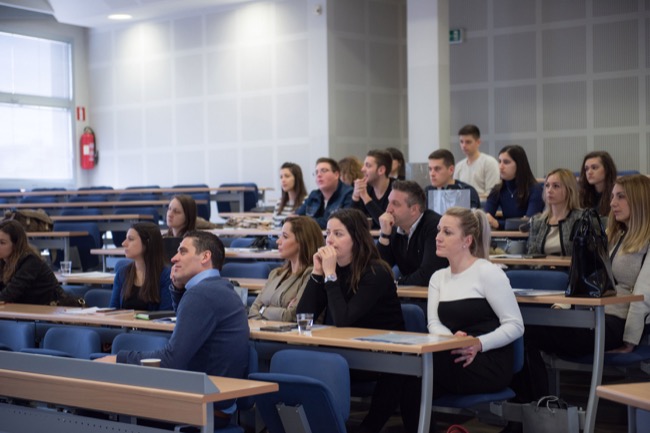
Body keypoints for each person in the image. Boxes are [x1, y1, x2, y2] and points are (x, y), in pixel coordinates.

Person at [97, 230, 249, 428]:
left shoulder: (202, 295)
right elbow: (188, 327)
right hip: (214, 402)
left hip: (203, 409)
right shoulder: (218, 288)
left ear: (205, 257)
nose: (174, 258)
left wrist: (119, 359)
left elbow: (172, 360)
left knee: (101, 404)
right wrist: (177, 290)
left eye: (183, 252)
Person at [521, 174, 650, 402]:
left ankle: (539, 406)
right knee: (522, 329)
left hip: (617, 322)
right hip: (593, 313)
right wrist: (562, 306)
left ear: (640, 200)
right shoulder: (613, 235)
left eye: (621, 197)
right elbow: (585, 280)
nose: (612, 203)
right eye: (612, 196)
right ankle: (538, 406)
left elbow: (644, 295)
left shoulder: (646, 241)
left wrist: (630, 340)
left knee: (526, 332)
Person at [402, 207, 524, 433]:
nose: (438, 237)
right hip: (451, 352)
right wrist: (452, 341)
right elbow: (433, 323)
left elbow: (516, 325)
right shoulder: (438, 277)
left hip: (487, 359)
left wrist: (477, 343)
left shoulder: (488, 272)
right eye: (439, 230)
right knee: (408, 379)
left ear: (467, 241)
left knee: (412, 378)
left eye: (447, 232)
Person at [296, 208, 405, 433]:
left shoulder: (376, 272)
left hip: (381, 356)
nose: (330, 240)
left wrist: (330, 275)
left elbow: (343, 319)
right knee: (297, 360)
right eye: (328, 233)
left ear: (356, 238)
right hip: (343, 350)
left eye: (338, 234)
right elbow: (304, 316)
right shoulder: (331, 270)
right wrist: (317, 273)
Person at [249, 216, 324, 321]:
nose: (278, 241)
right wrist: (279, 310)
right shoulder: (275, 273)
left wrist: (262, 310)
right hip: (264, 330)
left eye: (285, 237)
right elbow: (252, 311)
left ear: (302, 241)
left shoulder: (313, 275)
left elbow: (292, 316)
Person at [377, 180, 448, 286]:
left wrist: (396, 283)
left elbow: (428, 275)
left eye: (395, 204)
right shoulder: (393, 227)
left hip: (436, 292)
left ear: (414, 209)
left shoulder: (435, 227)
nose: (388, 209)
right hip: (409, 291)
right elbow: (377, 271)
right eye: (389, 202)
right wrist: (384, 235)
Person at [109, 222, 173, 311]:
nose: (124, 243)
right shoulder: (122, 273)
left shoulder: (167, 275)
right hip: (124, 321)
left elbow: (165, 314)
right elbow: (112, 312)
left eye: (131, 239)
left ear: (147, 243)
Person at [484, 144, 544, 230]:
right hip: (505, 236)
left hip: (527, 237)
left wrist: (498, 224)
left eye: (506, 162)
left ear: (519, 165)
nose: (500, 167)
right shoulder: (497, 189)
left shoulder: (535, 190)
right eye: (499, 161)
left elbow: (528, 223)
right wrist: (491, 221)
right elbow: (486, 218)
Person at [0, 220, 59, 305]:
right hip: (27, 309)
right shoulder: (3, 261)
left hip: (53, 307)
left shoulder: (30, 261)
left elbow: (8, 295)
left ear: (16, 245)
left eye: (2, 243)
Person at [527, 168, 582, 256]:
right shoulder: (537, 221)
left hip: (570, 265)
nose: (549, 190)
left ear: (569, 190)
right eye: (547, 186)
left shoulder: (580, 219)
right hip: (543, 265)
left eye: (556, 186)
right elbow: (532, 253)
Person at [296, 157, 353, 228]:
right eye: (316, 172)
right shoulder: (314, 195)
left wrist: (305, 222)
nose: (319, 175)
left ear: (336, 175)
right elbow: (297, 217)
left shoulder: (348, 194)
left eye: (323, 171)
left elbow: (337, 222)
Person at [351, 149, 395, 229]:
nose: (362, 169)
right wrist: (355, 197)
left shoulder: (397, 190)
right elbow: (352, 223)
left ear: (381, 170)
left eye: (368, 166)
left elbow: (388, 224)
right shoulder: (366, 188)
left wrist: (365, 197)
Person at [453, 124, 500, 196]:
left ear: (478, 142)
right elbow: (455, 192)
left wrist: (472, 199)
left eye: (468, 142)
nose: (464, 145)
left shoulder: (489, 163)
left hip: (483, 203)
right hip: (463, 202)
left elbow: (492, 193)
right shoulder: (459, 166)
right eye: (461, 142)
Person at [578, 150, 617, 217]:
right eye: (586, 169)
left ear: (607, 169)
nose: (589, 172)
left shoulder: (616, 194)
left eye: (594, 168)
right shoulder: (582, 194)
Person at [272, 162, 308, 228]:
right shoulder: (279, 203)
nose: (283, 180)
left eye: (287, 176)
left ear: (297, 178)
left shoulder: (306, 202)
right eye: (281, 177)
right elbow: (273, 227)